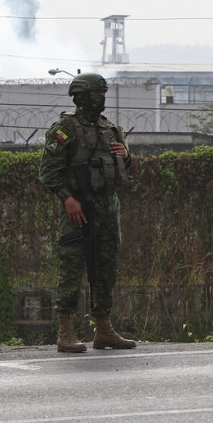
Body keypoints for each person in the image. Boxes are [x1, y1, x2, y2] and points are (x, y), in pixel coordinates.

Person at [39, 72, 135, 353]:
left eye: (103, 94)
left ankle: (103, 329)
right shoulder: (65, 128)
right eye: (96, 94)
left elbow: (125, 167)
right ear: (81, 97)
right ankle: (65, 331)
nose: (101, 99)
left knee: (106, 267)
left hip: (108, 207)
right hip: (78, 208)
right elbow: (48, 172)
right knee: (72, 267)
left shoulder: (111, 129)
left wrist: (126, 156)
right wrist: (67, 199)